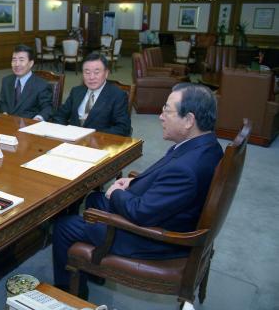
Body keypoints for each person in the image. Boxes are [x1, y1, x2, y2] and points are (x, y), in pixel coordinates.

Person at [52, 83, 224, 295]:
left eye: (167, 111)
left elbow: (141, 213)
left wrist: (117, 192)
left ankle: (69, 296)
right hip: (169, 212)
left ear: (189, 120)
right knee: (95, 199)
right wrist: (133, 182)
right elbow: (165, 175)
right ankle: (94, 270)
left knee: (63, 226)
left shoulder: (186, 169)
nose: (160, 116)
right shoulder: (205, 144)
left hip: (156, 239)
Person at [52, 53, 131, 136]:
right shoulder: (76, 91)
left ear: (106, 73)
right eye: (87, 72)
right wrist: (64, 132)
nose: (91, 77)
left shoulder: (118, 95)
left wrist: (94, 137)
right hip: (71, 140)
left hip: (99, 143)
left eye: (96, 72)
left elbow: (123, 128)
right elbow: (60, 116)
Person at [0, 44, 53, 120]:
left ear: (31, 63)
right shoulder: (6, 81)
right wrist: (4, 112)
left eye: (21, 60)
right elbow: (3, 103)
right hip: (7, 123)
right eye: (14, 60)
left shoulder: (41, 85)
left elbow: (47, 108)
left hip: (29, 125)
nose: (17, 64)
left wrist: (38, 119)